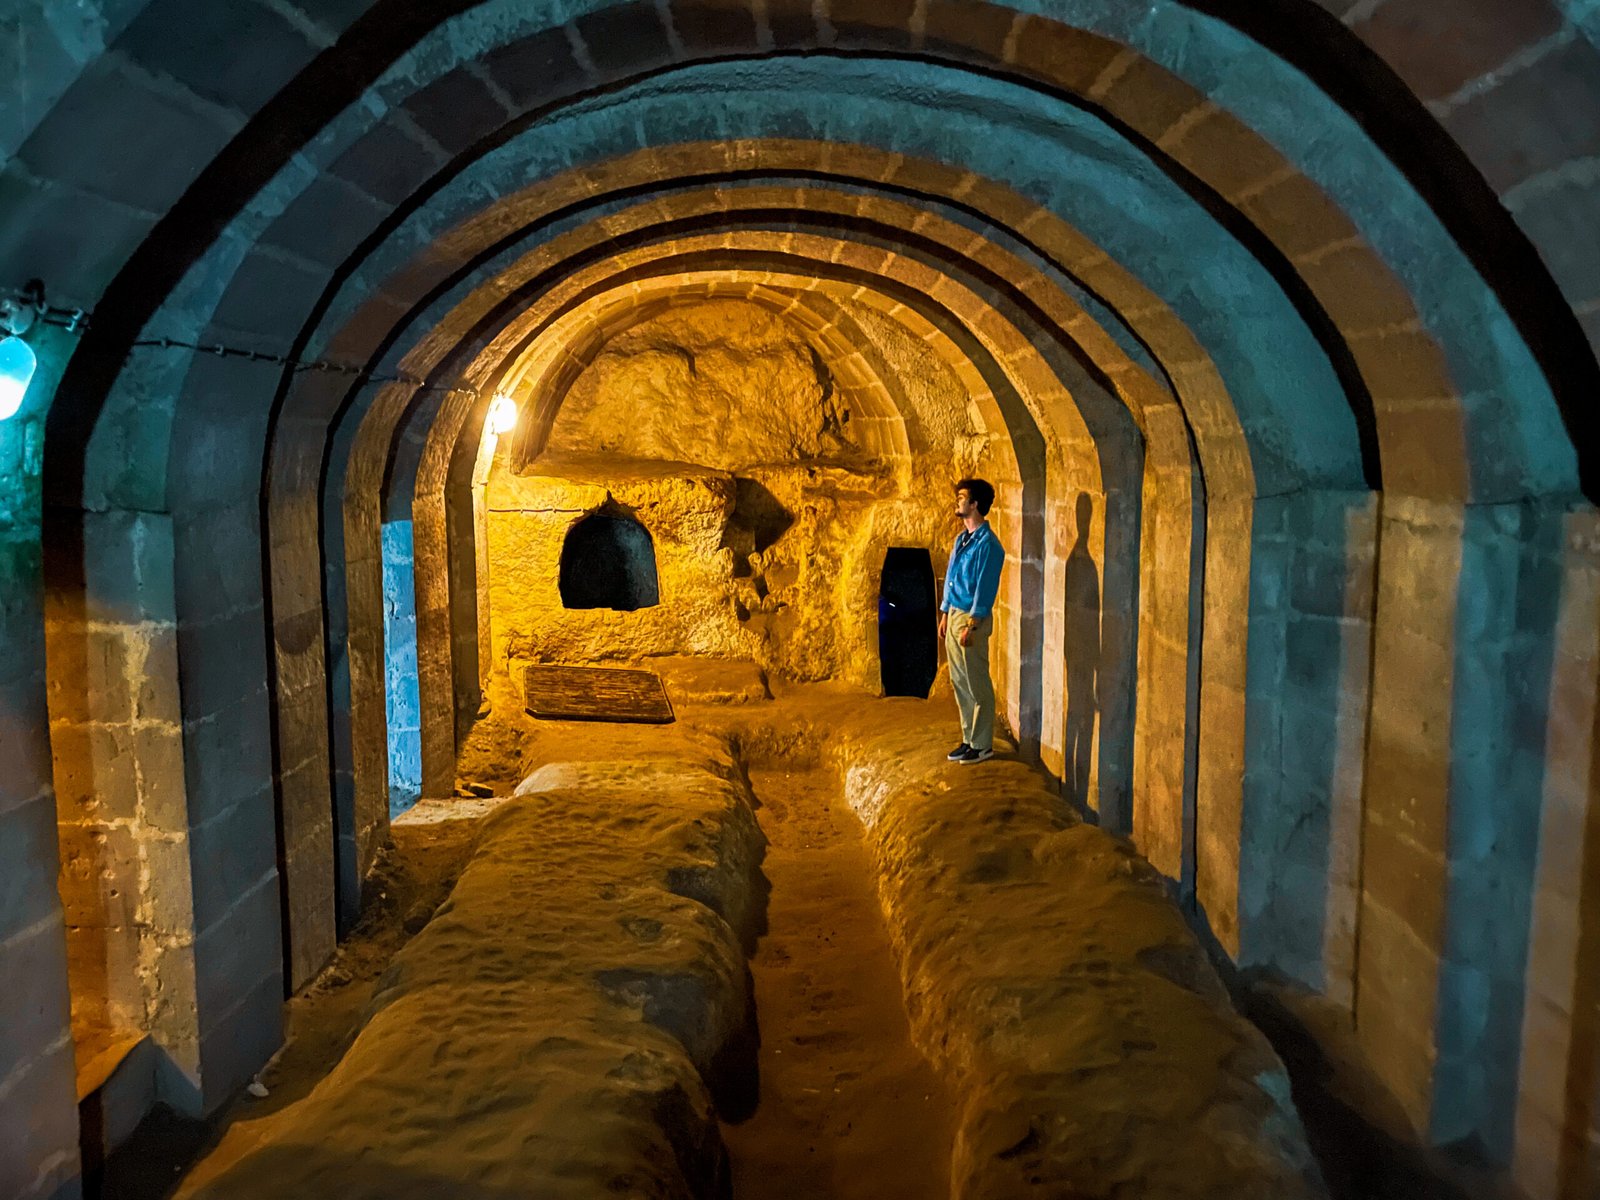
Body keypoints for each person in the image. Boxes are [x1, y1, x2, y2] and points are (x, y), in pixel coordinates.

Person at [938, 478, 1005, 764]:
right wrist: (944, 612)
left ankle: (982, 744)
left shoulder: (989, 545)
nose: (958, 501)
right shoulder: (961, 539)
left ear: (975, 504)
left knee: (977, 682)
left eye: (962, 497)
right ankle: (968, 739)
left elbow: (985, 587)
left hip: (970, 619)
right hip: (955, 614)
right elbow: (952, 576)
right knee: (960, 681)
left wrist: (973, 624)